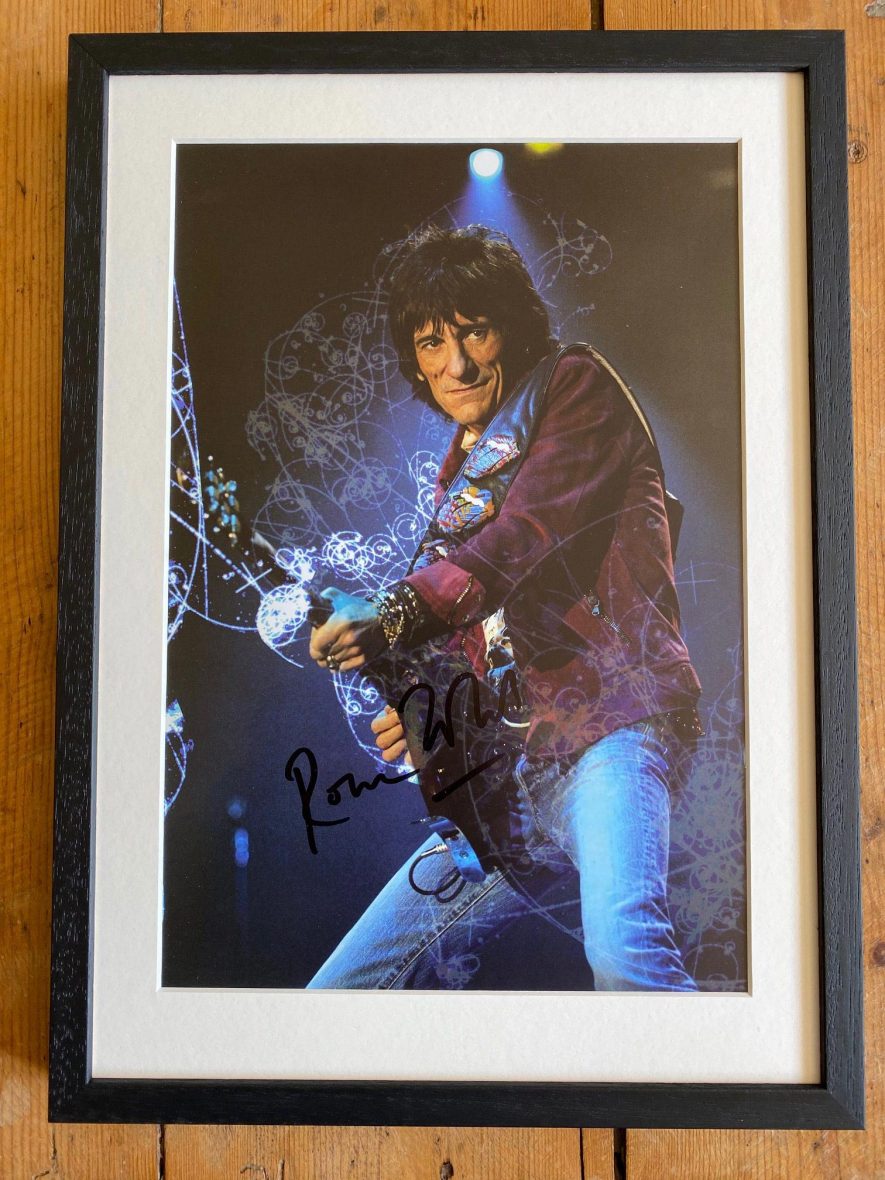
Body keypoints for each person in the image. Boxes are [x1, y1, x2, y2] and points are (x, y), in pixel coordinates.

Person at [306, 224, 702, 991]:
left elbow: (519, 543)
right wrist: (430, 715)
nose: (454, 365)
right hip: (510, 775)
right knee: (346, 988)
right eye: (430, 343)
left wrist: (389, 611)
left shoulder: (574, 387)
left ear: (511, 329)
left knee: (626, 957)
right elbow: (479, 633)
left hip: (609, 729)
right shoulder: (460, 470)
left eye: (474, 332)